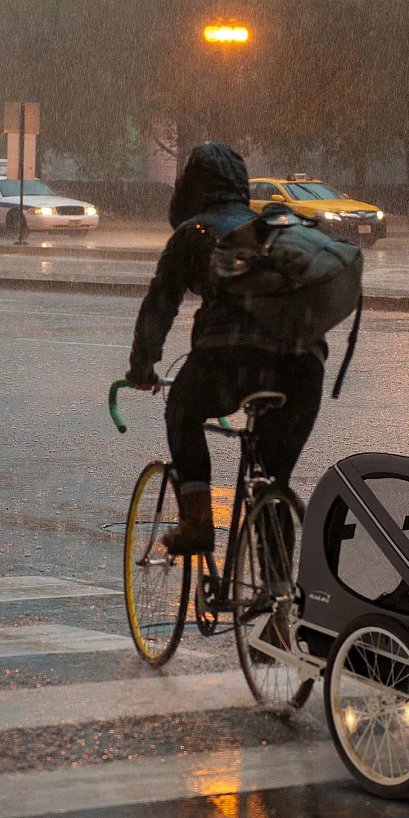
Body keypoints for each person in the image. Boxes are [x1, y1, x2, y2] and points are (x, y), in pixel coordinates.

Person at [124, 142, 325, 555]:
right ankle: (277, 598)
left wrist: (142, 365)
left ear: (193, 185)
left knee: (182, 410)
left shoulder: (193, 233)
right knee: (272, 484)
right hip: (304, 369)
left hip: (231, 362)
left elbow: (160, 305)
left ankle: (197, 523)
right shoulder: (272, 229)